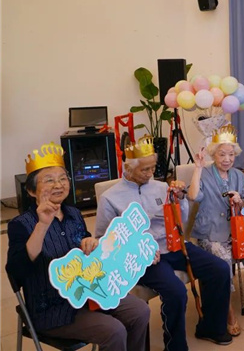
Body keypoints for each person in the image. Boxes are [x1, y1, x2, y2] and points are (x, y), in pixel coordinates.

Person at [6, 142, 150, 351]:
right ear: (31, 190)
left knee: (140, 311)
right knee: (114, 331)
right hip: (53, 309)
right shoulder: (21, 224)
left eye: (63, 178)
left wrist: (90, 244)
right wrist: (42, 225)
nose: (58, 185)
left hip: (90, 292)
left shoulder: (73, 213)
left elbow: (86, 245)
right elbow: (17, 271)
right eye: (49, 180)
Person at [96, 136, 232, 350]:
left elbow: (181, 220)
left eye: (153, 168)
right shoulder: (110, 198)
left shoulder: (161, 187)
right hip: (143, 257)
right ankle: (175, 346)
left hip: (173, 245)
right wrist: (137, 250)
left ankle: (211, 327)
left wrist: (180, 199)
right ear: (128, 168)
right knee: (176, 292)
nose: (150, 173)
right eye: (145, 169)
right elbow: (103, 241)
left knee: (220, 269)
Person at [188, 124, 244, 337]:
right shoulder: (204, 173)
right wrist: (197, 168)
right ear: (213, 154)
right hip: (211, 230)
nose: (227, 159)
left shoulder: (238, 175)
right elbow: (193, 196)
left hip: (237, 228)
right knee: (222, 260)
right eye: (222, 154)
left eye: (231, 154)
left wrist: (241, 199)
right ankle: (228, 311)